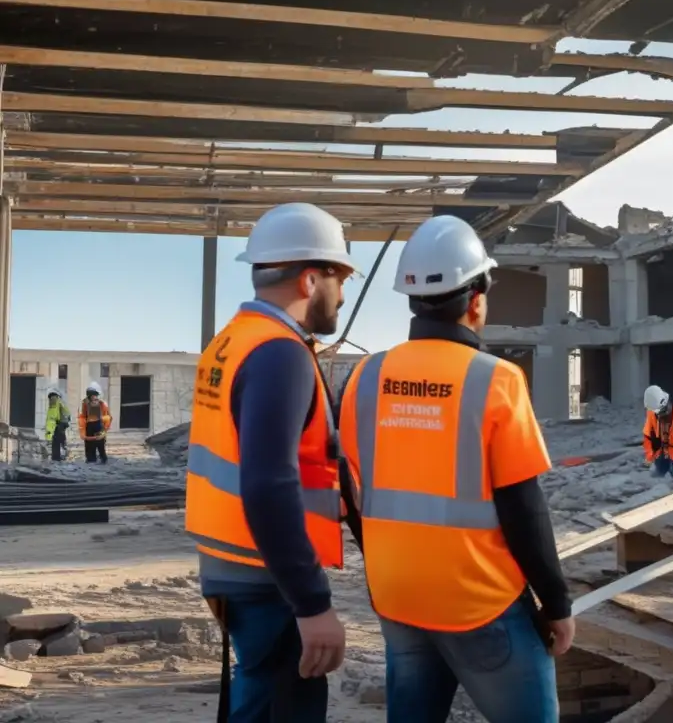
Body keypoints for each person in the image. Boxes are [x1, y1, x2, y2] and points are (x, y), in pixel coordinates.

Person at [338, 214, 573, 723]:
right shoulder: (497, 379)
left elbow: (353, 491)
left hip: (397, 594)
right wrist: (556, 603)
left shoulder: (366, 376)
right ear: (475, 298)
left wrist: (384, 568)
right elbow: (522, 505)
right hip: (477, 601)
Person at [183, 202, 359, 723]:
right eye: (340, 277)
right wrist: (311, 602)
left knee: (258, 697)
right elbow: (268, 482)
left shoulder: (230, 342)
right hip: (268, 577)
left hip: (233, 565)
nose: (343, 295)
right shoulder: (279, 353)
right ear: (310, 280)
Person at [78, 384, 112, 464]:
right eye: (92, 395)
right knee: (90, 447)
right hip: (90, 426)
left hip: (98, 425)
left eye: (95, 395)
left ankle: (102, 460)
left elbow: (108, 417)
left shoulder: (102, 404)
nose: (94, 398)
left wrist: (105, 429)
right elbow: (82, 417)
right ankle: (92, 460)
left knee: (100, 447)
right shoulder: (84, 404)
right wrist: (82, 431)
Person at [45, 390, 72, 461]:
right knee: (60, 441)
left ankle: (57, 457)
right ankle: (58, 456)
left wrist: (49, 432)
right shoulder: (60, 402)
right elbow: (67, 412)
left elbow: (51, 417)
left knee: (57, 441)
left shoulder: (55, 402)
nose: (51, 399)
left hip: (58, 424)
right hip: (60, 424)